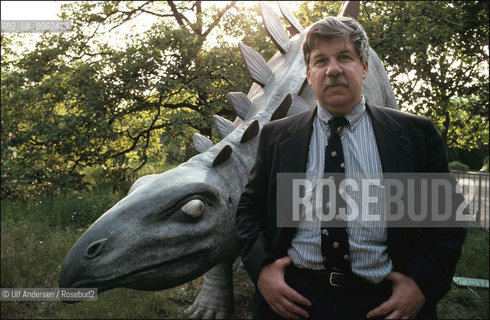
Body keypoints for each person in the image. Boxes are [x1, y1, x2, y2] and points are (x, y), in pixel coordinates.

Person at [236, 16, 466, 320]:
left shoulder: (413, 135)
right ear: (309, 72)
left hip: (385, 300)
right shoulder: (277, 137)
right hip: (295, 300)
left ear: (365, 66)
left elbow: (446, 219)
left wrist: (421, 283)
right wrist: (263, 268)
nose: (333, 69)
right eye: (321, 61)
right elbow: (249, 211)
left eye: (344, 57)